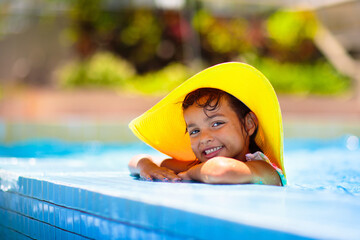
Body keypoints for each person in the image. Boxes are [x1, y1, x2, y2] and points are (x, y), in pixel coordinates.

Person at [128, 62, 287, 186]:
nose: (204, 138)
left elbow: (220, 170)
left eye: (217, 123)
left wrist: (189, 174)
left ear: (249, 124)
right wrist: (146, 167)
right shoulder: (200, 165)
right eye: (194, 131)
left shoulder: (263, 168)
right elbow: (136, 160)